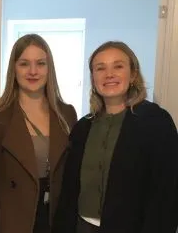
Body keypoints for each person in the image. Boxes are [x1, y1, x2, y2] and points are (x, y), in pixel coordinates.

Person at [52, 41, 178, 233]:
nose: (109, 74)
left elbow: (166, 193)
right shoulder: (83, 127)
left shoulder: (156, 122)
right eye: (100, 68)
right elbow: (70, 189)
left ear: (133, 73)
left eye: (118, 66)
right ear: (93, 77)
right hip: (82, 226)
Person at [0, 34, 77, 233]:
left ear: (50, 69)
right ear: (14, 68)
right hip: (13, 220)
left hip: (56, 219)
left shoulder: (67, 114)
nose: (33, 71)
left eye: (40, 63)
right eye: (24, 64)